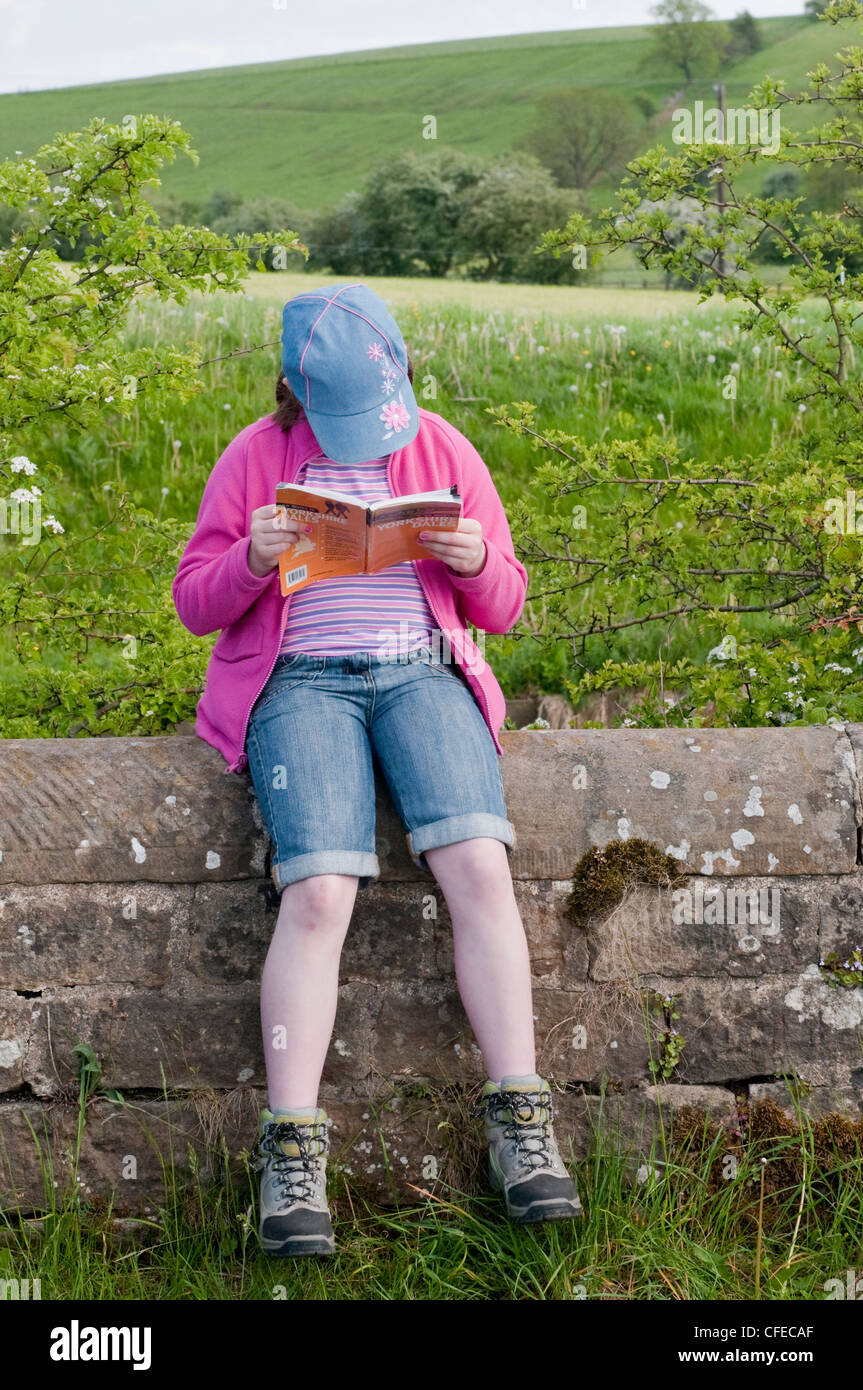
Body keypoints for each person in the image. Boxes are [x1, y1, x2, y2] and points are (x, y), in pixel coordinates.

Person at [172, 282, 581, 1258]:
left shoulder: (437, 445)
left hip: (418, 675)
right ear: (293, 389)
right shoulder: (253, 456)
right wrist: (251, 561)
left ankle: (520, 1123)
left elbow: (506, 604)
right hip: (299, 684)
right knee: (317, 891)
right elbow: (195, 600)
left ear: (401, 377)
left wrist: (476, 557)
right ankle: (291, 1150)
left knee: (479, 867)